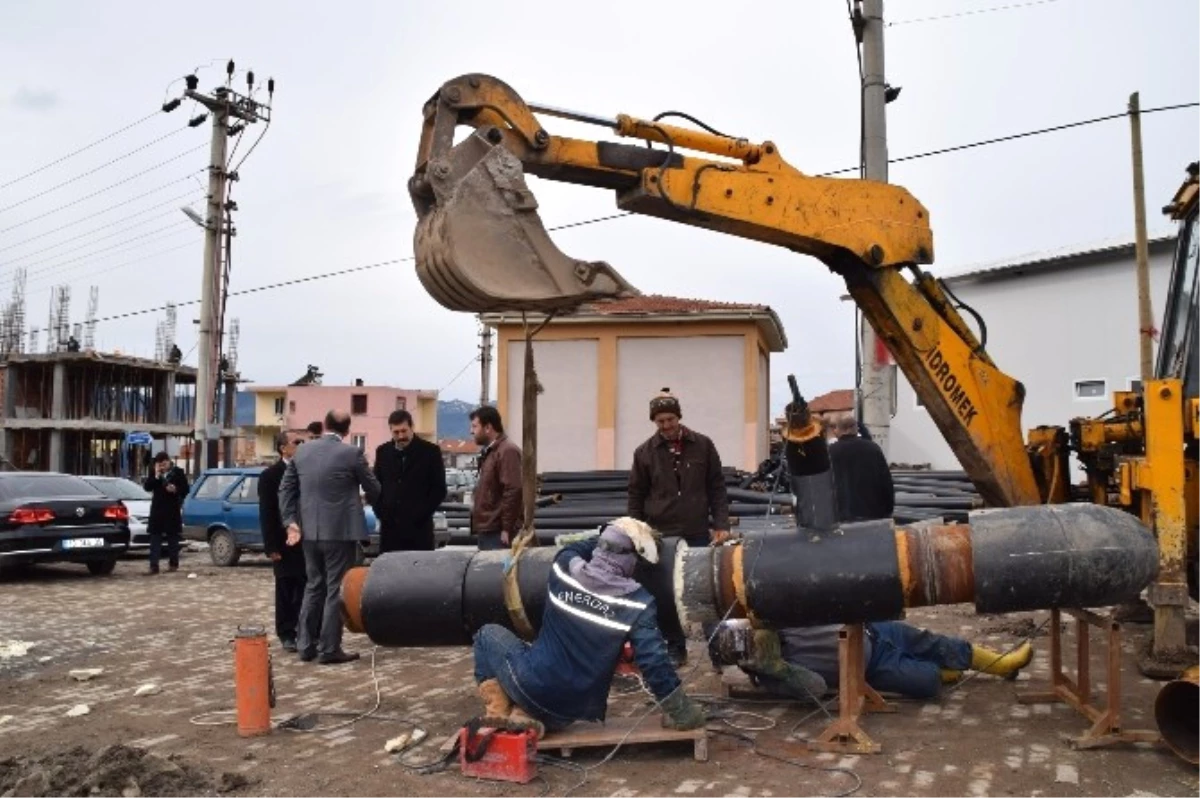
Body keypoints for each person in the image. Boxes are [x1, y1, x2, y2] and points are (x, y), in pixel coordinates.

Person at [472, 518, 706, 736]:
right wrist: (681, 711)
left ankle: (499, 714)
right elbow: (654, 661)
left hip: (531, 687)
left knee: (486, 634)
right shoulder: (638, 603)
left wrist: (615, 531)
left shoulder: (563, 568)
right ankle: (522, 716)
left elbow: (577, 548)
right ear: (632, 558)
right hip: (569, 712)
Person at [280, 410, 381, 665]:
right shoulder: (352, 454)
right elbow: (374, 488)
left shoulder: (302, 452)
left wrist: (290, 520)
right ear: (347, 430)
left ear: (324, 425)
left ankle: (304, 644)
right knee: (335, 587)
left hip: (309, 531)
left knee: (314, 585)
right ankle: (329, 648)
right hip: (340, 532)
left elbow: (286, 489)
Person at [719, 620, 1033, 701]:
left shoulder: (780, 615)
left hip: (871, 628)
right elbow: (815, 689)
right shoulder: (772, 678)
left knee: (931, 642)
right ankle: (952, 674)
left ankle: (1002, 664)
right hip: (871, 668)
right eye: (748, 647)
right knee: (926, 682)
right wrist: (778, 668)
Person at [628, 388, 731, 547]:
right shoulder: (644, 453)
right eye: (660, 421)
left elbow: (716, 487)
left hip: (697, 532)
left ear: (679, 417)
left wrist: (722, 525)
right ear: (654, 421)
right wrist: (636, 532)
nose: (667, 425)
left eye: (671, 419)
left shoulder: (703, 445)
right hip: (660, 535)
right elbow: (636, 495)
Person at [373, 410, 447, 552]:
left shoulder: (430, 452)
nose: (401, 436)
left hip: (419, 530)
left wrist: (421, 513)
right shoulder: (383, 452)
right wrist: (381, 512)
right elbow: (376, 486)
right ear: (390, 431)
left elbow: (439, 489)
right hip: (390, 531)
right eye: (396, 432)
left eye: (404, 431)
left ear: (412, 427)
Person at [260, 432, 306, 652]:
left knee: (305, 587)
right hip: (282, 541)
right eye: (296, 443)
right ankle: (286, 633)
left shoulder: (305, 471)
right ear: (283, 448)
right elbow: (267, 512)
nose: (300, 446)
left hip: (306, 539)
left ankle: (303, 630)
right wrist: (271, 546)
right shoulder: (270, 475)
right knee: (286, 588)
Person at [469, 406, 522, 551]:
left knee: (496, 572)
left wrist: (507, 528)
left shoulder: (507, 451)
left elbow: (513, 489)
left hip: (498, 532)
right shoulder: (491, 452)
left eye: (474, 426)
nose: (471, 431)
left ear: (488, 428)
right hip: (489, 529)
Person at [829, 414, 894, 523]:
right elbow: (886, 482)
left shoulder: (830, 452)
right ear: (856, 428)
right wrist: (888, 510)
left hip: (842, 517)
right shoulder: (873, 449)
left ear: (838, 429)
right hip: (873, 516)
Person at [142, 452, 189, 575]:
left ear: (169, 461)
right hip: (157, 510)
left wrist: (176, 489)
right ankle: (154, 566)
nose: (163, 466)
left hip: (172, 509)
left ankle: (173, 564)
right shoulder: (155, 473)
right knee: (155, 539)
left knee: (173, 539)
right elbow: (147, 487)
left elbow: (185, 489)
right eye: (160, 464)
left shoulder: (178, 472)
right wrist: (157, 476)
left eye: (164, 464)